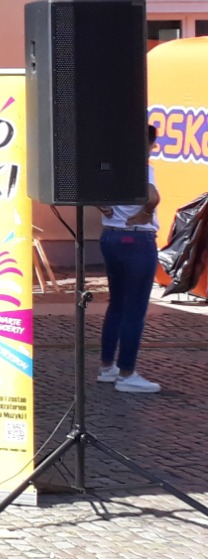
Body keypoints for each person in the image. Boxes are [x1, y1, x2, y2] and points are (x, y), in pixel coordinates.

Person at [99, 128, 163, 393]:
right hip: (137, 239)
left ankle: (107, 367)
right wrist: (147, 211)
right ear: (147, 145)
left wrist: (102, 206)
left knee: (116, 305)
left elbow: (95, 195)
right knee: (134, 310)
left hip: (110, 236)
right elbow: (152, 195)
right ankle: (127, 373)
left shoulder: (110, 167)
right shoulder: (142, 167)